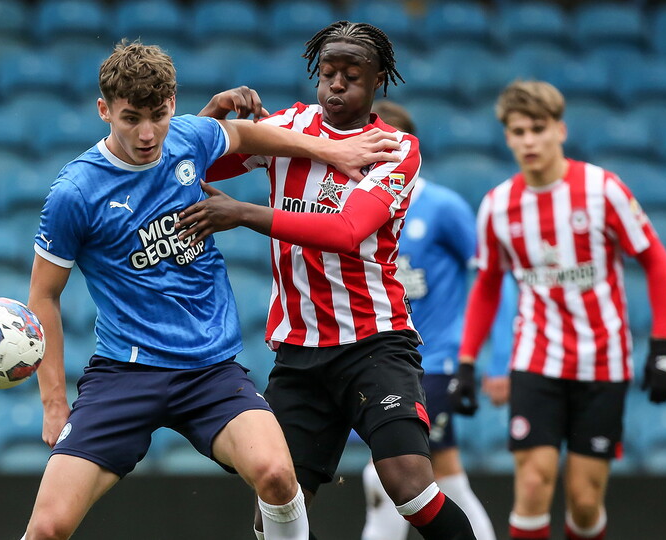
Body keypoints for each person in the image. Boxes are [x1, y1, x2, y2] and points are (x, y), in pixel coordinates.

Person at [21, 40, 401, 540]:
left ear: (173, 105)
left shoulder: (189, 138)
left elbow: (246, 134)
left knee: (278, 477)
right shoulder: (74, 193)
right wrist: (53, 403)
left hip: (211, 372)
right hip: (125, 373)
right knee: (48, 527)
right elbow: (43, 297)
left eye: (158, 115)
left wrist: (333, 149)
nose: (147, 133)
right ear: (104, 110)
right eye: (131, 118)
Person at [180, 21, 477, 540]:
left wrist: (245, 214)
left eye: (351, 76)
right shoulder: (289, 126)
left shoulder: (395, 148)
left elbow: (346, 230)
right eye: (327, 74)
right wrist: (212, 118)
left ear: (379, 80)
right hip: (299, 353)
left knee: (408, 483)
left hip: (374, 342)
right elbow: (185, 167)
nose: (336, 85)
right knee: (274, 506)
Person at [447, 80, 666, 540]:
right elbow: (488, 283)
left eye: (538, 128)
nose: (529, 140)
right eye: (518, 131)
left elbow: (656, 260)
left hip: (603, 362)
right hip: (536, 360)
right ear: (507, 137)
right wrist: (468, 363)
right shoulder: (497, 206)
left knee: (585, 501)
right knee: (532, 485)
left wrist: (663, 346)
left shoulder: (603, 190)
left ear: (560, 130)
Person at [357, 101, 499, 540]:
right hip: (389, 359)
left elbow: (490, 273)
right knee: (445, 474)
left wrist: (486, 358)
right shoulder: (357, 210)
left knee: (387, 472)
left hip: (437, 360)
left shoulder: (442, 207)